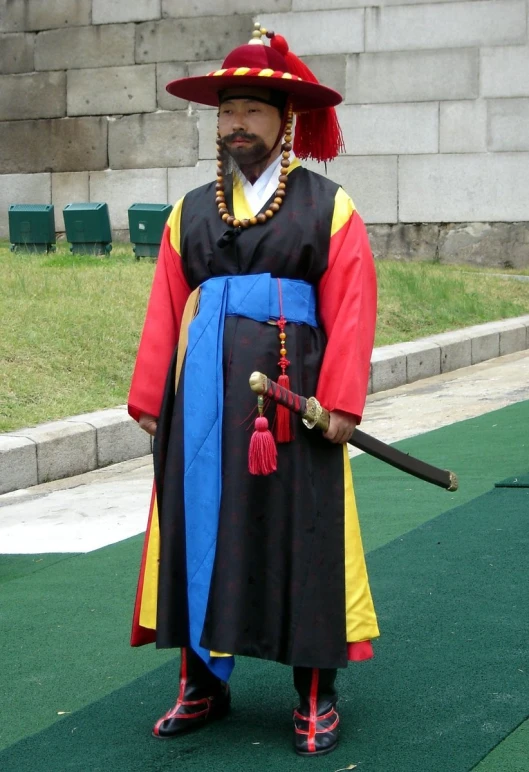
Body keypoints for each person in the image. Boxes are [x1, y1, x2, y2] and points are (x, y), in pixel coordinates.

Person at [128, 22, 379, 757]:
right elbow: (166, 302)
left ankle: (312, 692)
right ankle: (201, 683)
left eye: (251, 111)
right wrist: (152, 394)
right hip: (201, 398)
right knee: (196, 527)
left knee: (303, 530)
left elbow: (353, 304)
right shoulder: (190, 211)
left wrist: (339, 399)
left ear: (285, 122)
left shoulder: (328, 206)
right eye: (226, 110)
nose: (235, 123)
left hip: (290, 403)